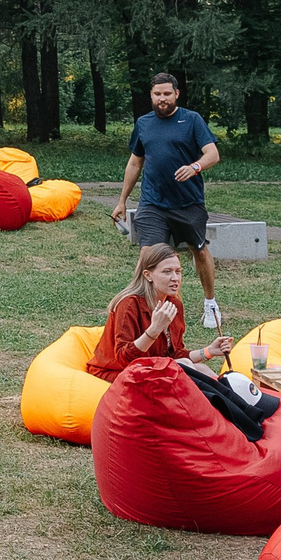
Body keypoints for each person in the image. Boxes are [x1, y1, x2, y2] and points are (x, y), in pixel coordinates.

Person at [111, 72, 224, 329]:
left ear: (176, 94)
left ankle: (210, 303)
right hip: (153, 203)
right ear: (151, 95)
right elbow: (135, 163)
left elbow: (213, 154)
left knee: (199, 250)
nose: (162, 98)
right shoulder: (144, 123)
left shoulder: (191, 120)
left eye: (167, 94)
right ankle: (138, 306)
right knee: (148, 255)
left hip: (188, 203)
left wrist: (194, 167)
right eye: (157, 94)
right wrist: (122, 200)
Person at [85, 244, 236, 380]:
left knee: (202, 369)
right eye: (167, 272)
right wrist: (154, 330)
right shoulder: (129, 305)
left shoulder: (174, 304)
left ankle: (228, 397)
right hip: (116, 373)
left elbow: (174, 354)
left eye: (178, 271)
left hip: (148, 369)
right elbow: (124, 359)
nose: (175, 278)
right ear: (148, 275)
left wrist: (208, 351)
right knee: (185, 365)